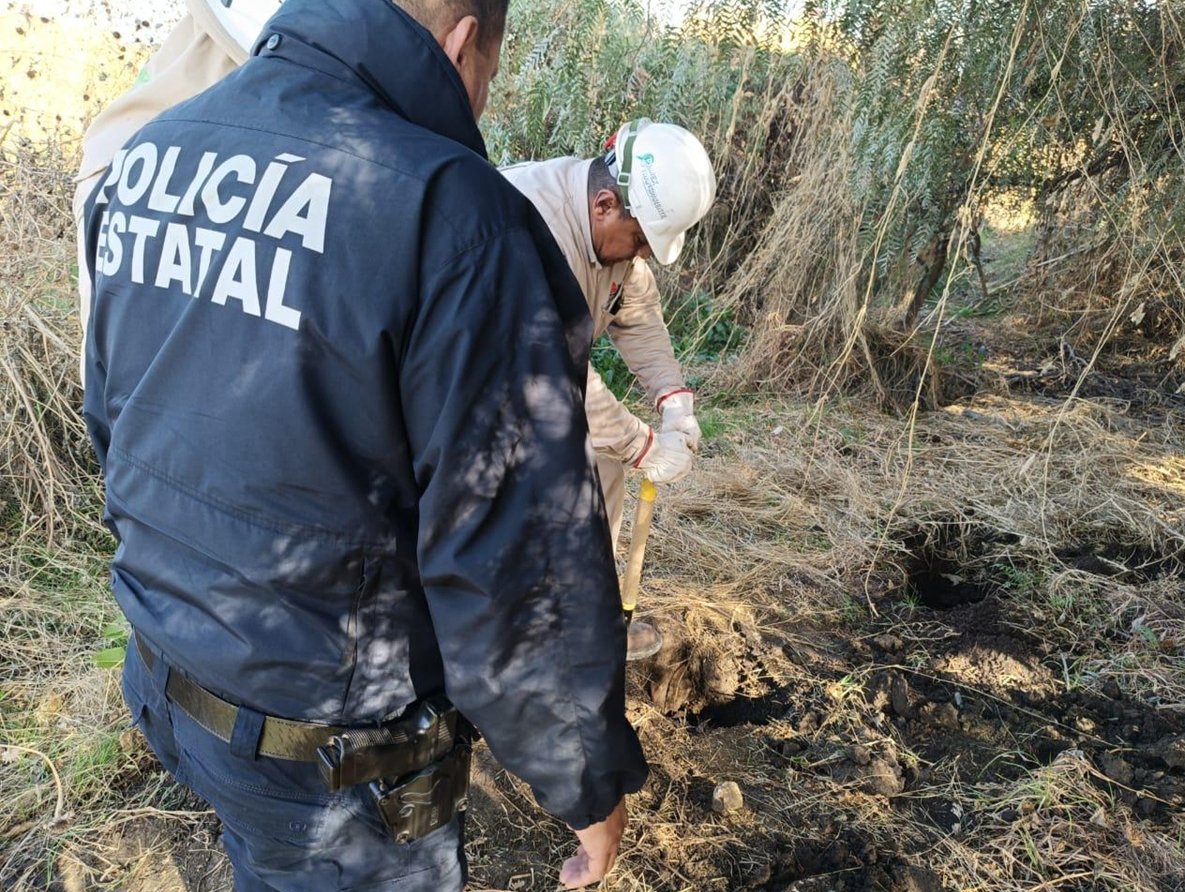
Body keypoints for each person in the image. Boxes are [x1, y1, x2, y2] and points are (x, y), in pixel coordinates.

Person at [78, 0, 648, 889]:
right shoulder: (454, 217)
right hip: (324, 760)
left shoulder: (153, 151)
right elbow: (513, 564)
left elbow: (113, 411)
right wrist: (588, 782)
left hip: (166, 672)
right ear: (462, 40)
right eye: (489, 74)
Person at [502, 122, 716, 659]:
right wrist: (642, 443)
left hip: (525, 381)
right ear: (605, 205)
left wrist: (673, 402)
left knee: (603, 459)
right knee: (592, 456)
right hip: (462, 395)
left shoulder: (612, 241)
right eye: (641, 239)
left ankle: (578, 617)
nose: (642, 254)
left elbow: (637, 313)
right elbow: (547, 369)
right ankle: (530, 630)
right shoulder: (533, 225)